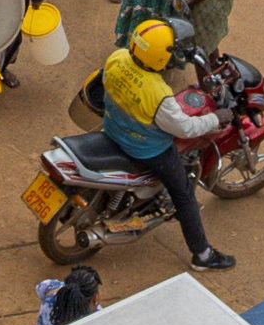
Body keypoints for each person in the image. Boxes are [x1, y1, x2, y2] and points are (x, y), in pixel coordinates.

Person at [90, 17, 235, 268]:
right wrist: (215, 118)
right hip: (146, 149)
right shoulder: (158, 94)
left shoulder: (118, 58)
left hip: (112, 128)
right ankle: (202, 255)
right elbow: (186, 128)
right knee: (184, 194)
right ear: (160, 57)